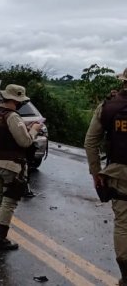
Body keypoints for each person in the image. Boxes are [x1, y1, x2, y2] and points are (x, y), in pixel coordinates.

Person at [0, 84, 42, 251]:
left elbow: (3, 135)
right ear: (15, 100)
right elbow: (25, 142)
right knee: (9, 203)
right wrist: (33, 130)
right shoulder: (12, 117)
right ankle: (0, 240)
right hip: (11, 165)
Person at [84, 68, 127, 285]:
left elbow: (90, 142)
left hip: (119, 174)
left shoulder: (108, 107)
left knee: (123, 224)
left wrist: (96, 172)